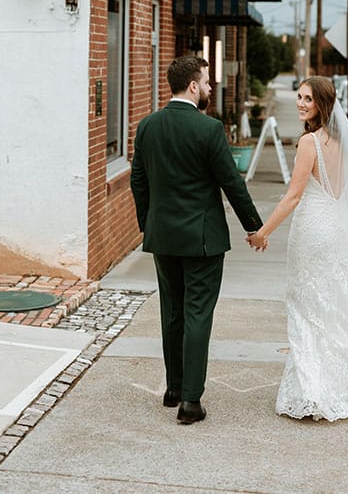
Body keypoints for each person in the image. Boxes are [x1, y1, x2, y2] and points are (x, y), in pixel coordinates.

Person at [247, 76, 348, 421]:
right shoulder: (343, 143)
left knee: (307, 309)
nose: (301, 103)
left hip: (312, 232)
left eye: (308, 99)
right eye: (300, 97)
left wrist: (263, 232)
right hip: (338, 231)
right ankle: (335, 383)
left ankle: (313, 390)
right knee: (331, 306)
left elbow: (293, 196)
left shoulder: (310, 143)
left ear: (323, 105)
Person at [130, 55, 263, 425]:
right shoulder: (208, 129)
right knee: (197, 313)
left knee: (171, 311)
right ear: (192, 86)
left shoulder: (147, 126)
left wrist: (149, 224)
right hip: (203, 241)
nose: (208, 88)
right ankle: (190, 401)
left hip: (163, 237)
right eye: (205, 82)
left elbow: (138, 181)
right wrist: (253, 226)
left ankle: (174, 388)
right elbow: (231, 183)